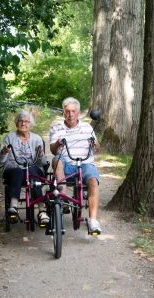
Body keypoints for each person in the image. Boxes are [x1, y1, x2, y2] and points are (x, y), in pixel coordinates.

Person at [49, 97, 102, 234]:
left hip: (85, 163)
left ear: (78, 113)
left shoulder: (87, 127)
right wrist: (58, 143)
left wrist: (94, 144)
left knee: (93, 181)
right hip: (66, 163)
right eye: (67, 111)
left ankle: (93, 220)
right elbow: (53, 151)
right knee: (57, 159)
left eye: (73, 111)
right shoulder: (57, 128)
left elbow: (97, 147)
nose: (70, 114)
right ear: (63, 113)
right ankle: (62, 198)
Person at [0, 110, 49, 224]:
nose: (23, 124)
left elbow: (42, 163)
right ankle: (13, 206)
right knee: (18, 171)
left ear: (30, 124)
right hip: (12, 169)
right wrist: (3, 152)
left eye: (26, 121)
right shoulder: (10, 137)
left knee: (32, 172)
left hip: (32, 169)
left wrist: (40, 154)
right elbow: (0, 160)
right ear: (16, 123)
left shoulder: (36, 138)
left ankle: (42, 210)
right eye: (21, 121)